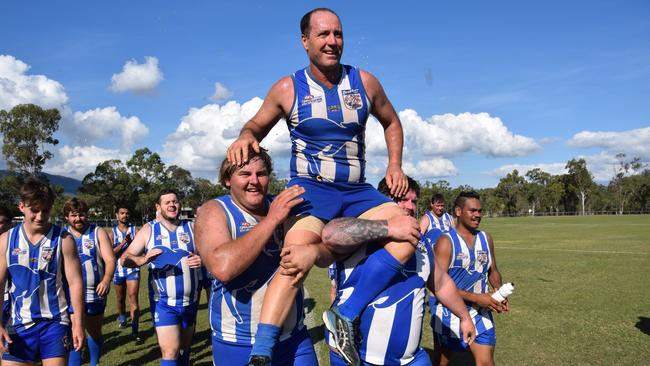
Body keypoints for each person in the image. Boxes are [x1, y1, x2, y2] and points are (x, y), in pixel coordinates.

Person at [227, 8, 414, 364]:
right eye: (323, 35)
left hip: (357, 191)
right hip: (311, 190)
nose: (332, 42)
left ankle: (343, 313)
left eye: (338, 34)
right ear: (305, 41)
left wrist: (395, 165)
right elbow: (254, 126)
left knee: (409, 232)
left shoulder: (365, 82)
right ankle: (262, 352)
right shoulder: (287, 88)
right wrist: (244, 137)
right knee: (295, 256)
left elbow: (392, 121)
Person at [280, 176, 476, 365]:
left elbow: (441, 283)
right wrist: (387, 228)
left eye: (413, 201)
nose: (409, 206)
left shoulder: (421, 244)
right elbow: (331, 233)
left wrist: (464, 317)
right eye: (401, 199)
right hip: (356, 356)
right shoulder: (361, 235)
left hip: (409, 359)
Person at [194, 148, 318, 366]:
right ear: (227, 180)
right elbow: (223, 268)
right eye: (245, 174)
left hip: (294, 337)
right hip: (238, 342)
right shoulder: (214, 210)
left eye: (261, 174)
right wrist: (271, 220)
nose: (254, 181)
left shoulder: (282, 206)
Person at [0, 179, 85, 366]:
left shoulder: (64, 239)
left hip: (55, 323)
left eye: (45, 211)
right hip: (18, 324)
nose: (40, 217)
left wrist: (78, 323)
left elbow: (76, 282)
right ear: (22, 206)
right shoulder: (6, 240)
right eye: (34, 210)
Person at [121, 189, 202, 366]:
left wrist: (202, 259)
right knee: (170, 351)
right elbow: (124, 259)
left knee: (184, 349)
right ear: (158, 207)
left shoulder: (192, 227)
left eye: (175, 201)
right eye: (167, 202)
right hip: (163, 303)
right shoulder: (149, 229)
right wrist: (142, 259)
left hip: (191, 301)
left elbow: (213, 254)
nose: (172, 205)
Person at [431, 191, 508, 366]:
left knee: (486, 362)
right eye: (472, 211)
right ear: (458, 212)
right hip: (449, 313)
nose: (478, 215)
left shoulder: (486, 238)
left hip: (481, 312)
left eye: (480, 211)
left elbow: (493, 271)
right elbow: (437, 286)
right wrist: (478, 298)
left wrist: (499, 292)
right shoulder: (446, 242)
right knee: (441, 362)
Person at [63, 198, 116, 366]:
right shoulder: (62, 234)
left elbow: (110, 260)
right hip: (69, 294)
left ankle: (94, 362)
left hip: (95, 292)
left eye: (81, 214)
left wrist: (106, 279)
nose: (78, 219)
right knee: (75, 333)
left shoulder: (98, 232)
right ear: (66, 217)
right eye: (74, 215)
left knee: (94, 332)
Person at [108, 204, 142, 342]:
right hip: (117, 270)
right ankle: (122, 317)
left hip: (133, 269)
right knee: (120, 299)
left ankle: (135, 329)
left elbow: (142, 249)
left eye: (127, 213)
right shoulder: (111, 233)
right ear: (117, 215)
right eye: (122, 213)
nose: (124, 215)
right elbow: (110, 253)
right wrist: (123, 243)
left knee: (133, 297)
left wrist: (135, 246)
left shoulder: (136, 231)